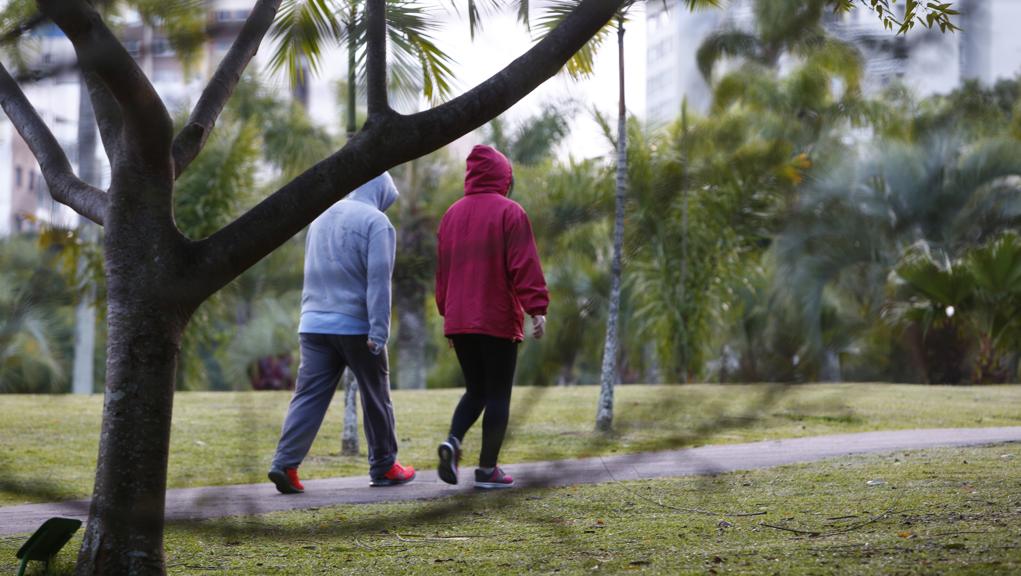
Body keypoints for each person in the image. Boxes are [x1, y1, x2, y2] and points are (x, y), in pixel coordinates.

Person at [268, 172, 415, 493]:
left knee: (308, 396)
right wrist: (379, 330)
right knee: (376, 395)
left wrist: (309, 316)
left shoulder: (321, 218)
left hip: (313, 323)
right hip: (357, 326)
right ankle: (385, 465)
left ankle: (285, 464)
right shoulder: (377, 223)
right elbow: (378, 281)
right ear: (380, 192)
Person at [434, 145, 550, 489]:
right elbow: (523, 265)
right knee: (498, 393)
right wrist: (537, 308)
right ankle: (487, 470)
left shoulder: (450, 215)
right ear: (504, 176)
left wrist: (448, 315)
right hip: (496, 317)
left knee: (476, 390)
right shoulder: (511, 213)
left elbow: (443, 274)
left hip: (460, 319)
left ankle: (453, 441)